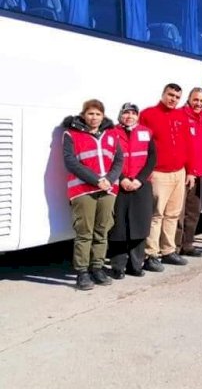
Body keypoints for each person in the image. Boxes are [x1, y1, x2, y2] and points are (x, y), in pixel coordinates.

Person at [62, 99, 123, 290]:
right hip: (83, 190)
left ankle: (97, 268)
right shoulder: (71, 134)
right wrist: (97, 180)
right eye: (90, 113)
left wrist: (110, 180)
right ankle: (82, 272)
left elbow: (119, 160)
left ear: (103, 116)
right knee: (84, 232)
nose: (94, 117)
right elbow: (71, 162)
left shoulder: (112, 134)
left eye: (98, 114)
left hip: (108, 189)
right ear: (83, 115)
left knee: (102, 230)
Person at [139, 83, 194, 272]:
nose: (173, 99)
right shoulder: (148, 115)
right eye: (170, 95)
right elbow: (142, 146)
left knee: (172, 214)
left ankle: (168, 250)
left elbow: (188, 144)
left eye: (177, 97)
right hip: (158, 173)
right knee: (156, 215)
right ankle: (150, 254)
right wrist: (146, 171)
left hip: (179, 172)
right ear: (163, 94)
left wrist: (191, 171)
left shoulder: (181, 116)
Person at [110, 103, 156, 279]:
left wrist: (139, 180)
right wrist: (121, 179)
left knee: (139, 226)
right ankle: (117, 266)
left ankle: (136, 265)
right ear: (120, 115)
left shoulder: (147, 132)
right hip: (119, 185)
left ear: (138, 116)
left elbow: (152, 158)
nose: (129, 116)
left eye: (133, 113)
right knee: (118, 228)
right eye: (126, 113)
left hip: (140, 185)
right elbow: (109, 159)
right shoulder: (112, 133)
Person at [176, 87, 202, 257]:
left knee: (193, 210)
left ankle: (187, 245)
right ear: (189, 99)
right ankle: (174, 248)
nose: (198, 103)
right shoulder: (180, 116)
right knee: (178, 212)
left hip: (198, 173)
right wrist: (189, 170)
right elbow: (182, 147)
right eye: (195, 100)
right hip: (183, 172)